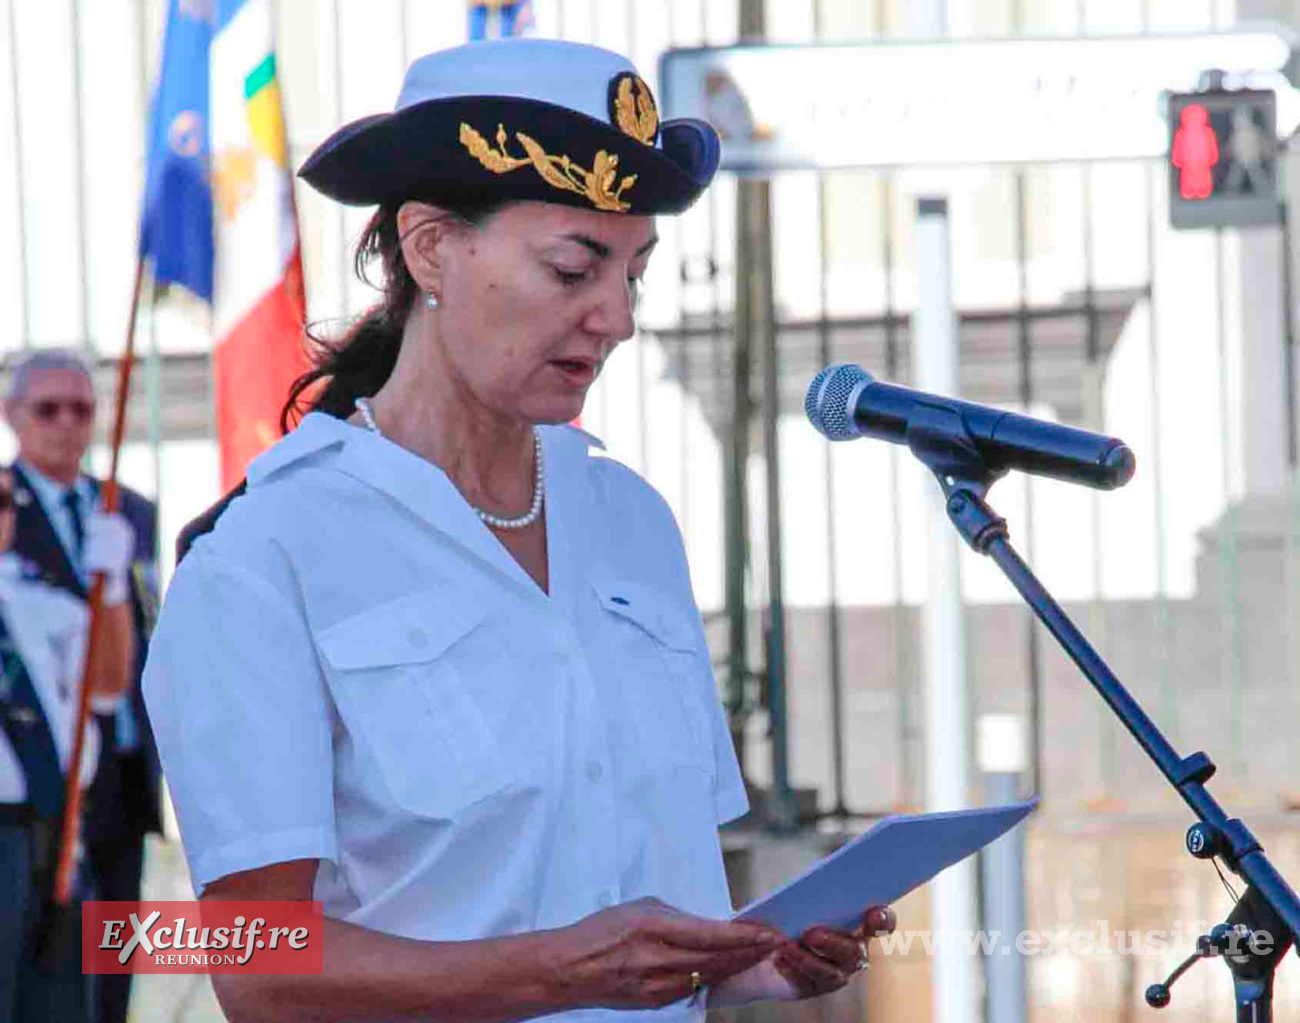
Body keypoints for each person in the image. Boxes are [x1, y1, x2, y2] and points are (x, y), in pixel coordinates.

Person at [144, 38, 895, 1023]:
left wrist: (754, 957)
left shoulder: (630, 521)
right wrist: (559, 972)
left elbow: (651, 906)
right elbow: (258, 968)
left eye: (633, 272)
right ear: (428, 250)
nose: (615, 317)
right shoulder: (265, 554)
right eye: (573, 266)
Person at [2, 348, 162, 1023]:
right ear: (13, 415)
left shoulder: (128, 509)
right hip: (35, 782)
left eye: (82, 408)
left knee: (110, 956)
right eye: (48, 408)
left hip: (121, 769)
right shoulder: (4, 502)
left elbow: (146, 634)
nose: (67, 424)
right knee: (34, 972)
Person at [0, 467, 137, 1022]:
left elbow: (105, 687)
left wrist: (114, 587)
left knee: (57, 1007)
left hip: (54, 833)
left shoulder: (33, 602)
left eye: (4, 501)